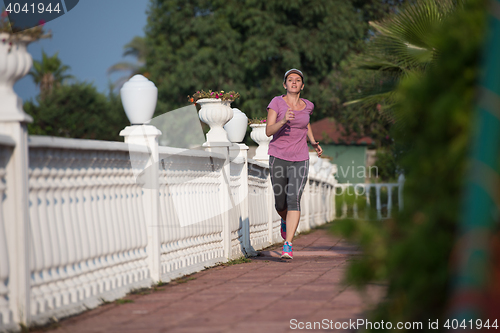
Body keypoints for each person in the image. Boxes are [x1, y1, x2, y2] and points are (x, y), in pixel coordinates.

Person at [265, 69, 323, 259]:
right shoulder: (276, 102)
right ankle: (285, 220)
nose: (294, 83)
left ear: (302, 85)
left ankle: (288, 244)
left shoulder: (308, 106)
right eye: (290, 80)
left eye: (298, 80)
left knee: (293, 200)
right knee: (280, 202)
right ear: (285, 84)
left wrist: (313, 142)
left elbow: (305, 124)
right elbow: (268, 131)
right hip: (278, 156)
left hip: (300, 158)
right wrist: (283, 121)